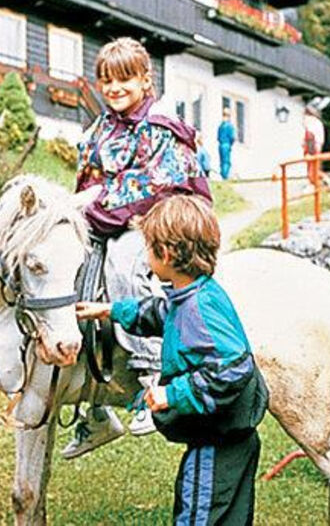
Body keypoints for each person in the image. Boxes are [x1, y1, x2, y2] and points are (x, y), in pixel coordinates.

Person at [76, 196, 268, 525]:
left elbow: (234, 367)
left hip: (215, 444)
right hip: (230, 439)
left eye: (148, 247)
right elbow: (160, 313)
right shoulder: (195, 294)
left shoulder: (198, 308)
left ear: (164, 254)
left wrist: (173, 394)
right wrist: (111, 310)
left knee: (195, 515)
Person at [65, 37, 211, 459]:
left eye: (124, 79)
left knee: (126, 261)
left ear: (145, 80)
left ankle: (151, 374)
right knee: (71, 266)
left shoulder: (161, 126)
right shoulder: (103, 127)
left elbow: (155, 187)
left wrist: (101, 210)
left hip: (163, 217)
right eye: (106, 80)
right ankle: (91, 408)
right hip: (113, 214)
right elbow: (91, 179)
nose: (114, 88)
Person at [303, 105, 325, 188]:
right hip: (316, 145)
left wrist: (308, 151)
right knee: (314, 166)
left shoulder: (311, 122)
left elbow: (310, 137)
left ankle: (314, 183)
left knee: (312, 166)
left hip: (312, 146)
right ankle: (315, 182)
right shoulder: (318, 122)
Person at [217, 107, 235, 180]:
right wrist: (230, 144)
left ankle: (222, 175)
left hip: (221, 145)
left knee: (221, 161)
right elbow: (232, 137)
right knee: (226, 162)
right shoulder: (229, 126)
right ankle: (225, 177)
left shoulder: (220, 126)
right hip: (226, 144)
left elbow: (218, 137)